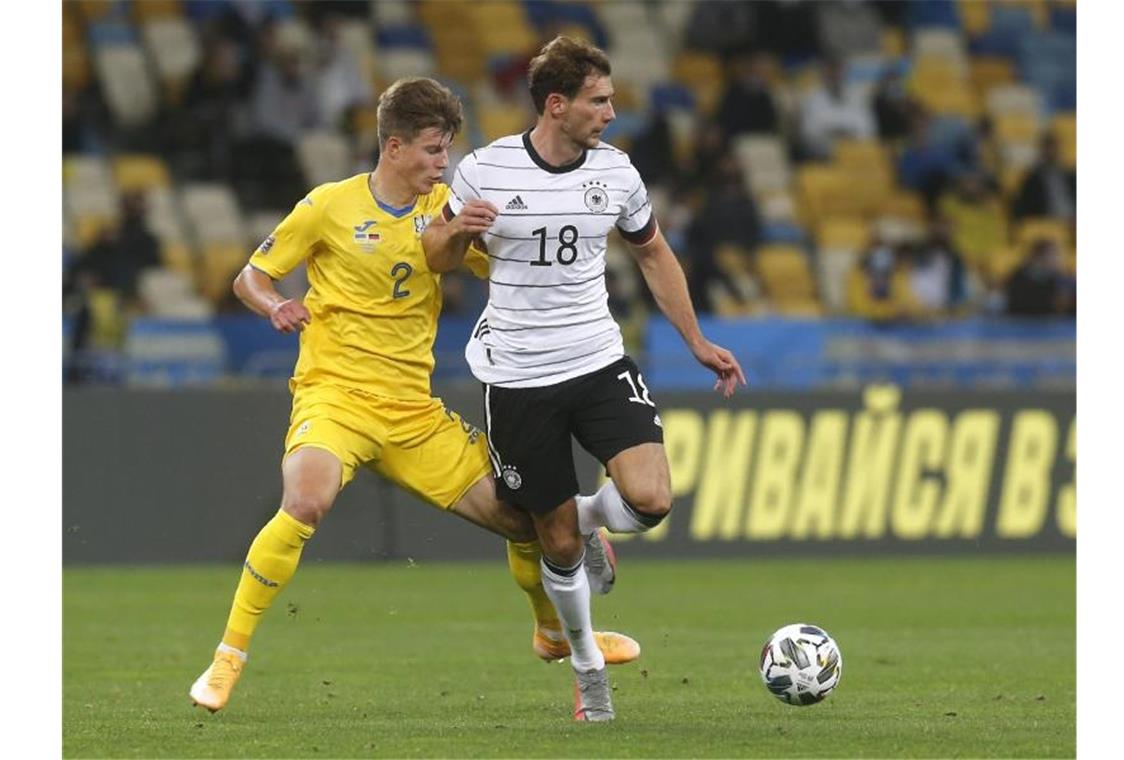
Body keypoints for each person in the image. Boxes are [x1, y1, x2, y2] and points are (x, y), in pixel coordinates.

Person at [189, 77, 640, 715]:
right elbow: (249, 277)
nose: (443, 162)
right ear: (394, 147)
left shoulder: (447, 210)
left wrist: (493, 240)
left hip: (412, 414)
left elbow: (502, 269)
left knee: (528, 517)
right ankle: (227, 658)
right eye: (432, 150)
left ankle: (548, 630)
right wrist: (276, 304)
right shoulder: (328, 205)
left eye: (448, 149)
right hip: (336, 400)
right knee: (306, 500)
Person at [422, 36, 746, 721]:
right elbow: (433, 256)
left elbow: (654, 255)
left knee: (652, 499)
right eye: (599, 101)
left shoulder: (619, 174)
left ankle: (590, 516)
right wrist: (455, 235)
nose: (610, 112)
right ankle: (587, 665)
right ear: (557, 104)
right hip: (517, 377)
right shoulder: (485, 169)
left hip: (597, 360)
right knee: (557, 541)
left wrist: (695, 340)